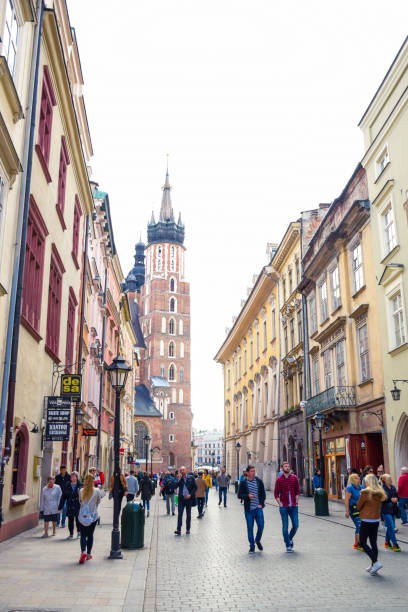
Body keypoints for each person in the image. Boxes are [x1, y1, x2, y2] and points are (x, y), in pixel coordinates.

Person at [356, 473, 387, 575]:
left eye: (365, 480)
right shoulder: (380, 493)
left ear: (368, 481)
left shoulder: (365, 493)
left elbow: (358, 506)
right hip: (375, 520)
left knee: (362, 542)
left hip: (366, 520)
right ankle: (374, 566)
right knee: (373, 543)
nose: (364, 482)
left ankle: (376, 562)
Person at [238, 465, 266, 554]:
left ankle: (257, 540)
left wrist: (261, 504)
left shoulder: (259, 481)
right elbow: (239, 495)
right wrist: (247, 496)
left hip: (258, 508)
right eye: (252, 471)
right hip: (248, 509)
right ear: (247, 472)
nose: (253, 473)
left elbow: (263, 493)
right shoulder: (243, 483)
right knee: (250, 528)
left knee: (261, 525)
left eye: (254, 471)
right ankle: (252, 546)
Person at [78, 474, 104, 564]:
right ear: (93, 481)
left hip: (83, 516)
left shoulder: (81, 491)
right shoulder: (97, 491)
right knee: (90, 535)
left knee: (82, 535)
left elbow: (80, 502)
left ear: (85, 480)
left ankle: (83, 552)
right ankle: (89, 554)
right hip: (93, 516)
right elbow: (98, 502)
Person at [274, 461, 300, 553]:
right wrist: (280, 504)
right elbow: (276, 494)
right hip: (284, 507)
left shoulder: (294, 478)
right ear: (282, 468)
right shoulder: (279, 480)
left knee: (296, 525)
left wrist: (296, 502)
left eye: (288, 466)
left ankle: (289, 538)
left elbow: (297, 491)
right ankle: (288, 545)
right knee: (285, 526)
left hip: (293, 506)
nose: (287, 467)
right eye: (285, 466)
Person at [381, 473, 401, 552]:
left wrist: (397, 499)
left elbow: (396, 495)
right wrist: (390, 499)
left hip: (393, 509)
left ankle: (387, 542)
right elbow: (382, 499)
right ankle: (395, 544)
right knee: (392, 527)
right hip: (385, 510)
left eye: (391, 479)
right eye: (389, 479)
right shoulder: (382, 488)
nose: (391, 480)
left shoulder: (393, 487)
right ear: (385, 481)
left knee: (390, 527)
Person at [174, 465, 197, 535]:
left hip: (188, 499)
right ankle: (179, 529)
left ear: (185, 470)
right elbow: (175, 486)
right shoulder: (179, 479)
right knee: (180, 514)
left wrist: (190, 495)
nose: (182, 471)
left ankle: (188, 529)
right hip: (181, 499)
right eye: (181, 470)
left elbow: (195, 487)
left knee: (188, 515)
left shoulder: (191, 478)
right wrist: (179, 479)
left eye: (183, 470)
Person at [59, 471, 83, 539]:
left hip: (78, 505)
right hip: (69, 505)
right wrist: (60, 506)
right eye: (71, 476)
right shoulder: (67, 485)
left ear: (77, 477)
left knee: (78, 520)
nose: (72, 477)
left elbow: (83, 496)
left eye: (73, 476)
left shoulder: (80, 485)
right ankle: (71, 534)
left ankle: (79, 533)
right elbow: (63, 496)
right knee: (70, 520)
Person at [344, 473, 362, 550]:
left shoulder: (360, 487)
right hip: (353, 509)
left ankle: (358, 543)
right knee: (359, 526)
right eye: (357, 478)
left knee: (361, 526)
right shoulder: (350, 488)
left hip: (360, 509)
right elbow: (347, 500)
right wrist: (347, 511)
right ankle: (358, 544)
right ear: (353, 479)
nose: (359, 479)